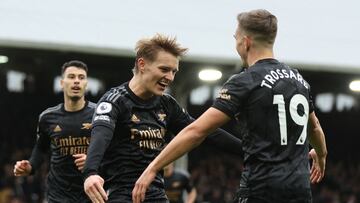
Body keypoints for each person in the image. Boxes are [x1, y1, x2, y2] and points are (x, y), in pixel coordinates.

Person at [132, 9, 328, 203]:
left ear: (246, 42)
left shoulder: (246, 81)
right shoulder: (299, 81)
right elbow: (315, 127)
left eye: (236, 38)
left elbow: (197, 131)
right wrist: (321, 154)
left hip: (261, 190)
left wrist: (153, 167)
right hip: (300, 191)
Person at [82, 34, 243, 203]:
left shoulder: (167, 104)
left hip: (156, 194)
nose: (170, 77)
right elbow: (101, 135)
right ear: (142, 64)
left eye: (174, 71)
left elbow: (204, 131)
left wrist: (248, 150)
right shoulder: (114, 100)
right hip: (120, 195)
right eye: (164, 69)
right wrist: (90, 173)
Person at [13, 60, 95, 203]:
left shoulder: (100, 115)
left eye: (81, 78)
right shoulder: (47, 117)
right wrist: (30, 167)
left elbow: (114, 151)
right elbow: (40, 149)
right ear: (62, 83)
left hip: (90, 195)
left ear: (86, 84)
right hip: (57, 196)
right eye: (71, 77)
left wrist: (93, 162)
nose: (76, 81)